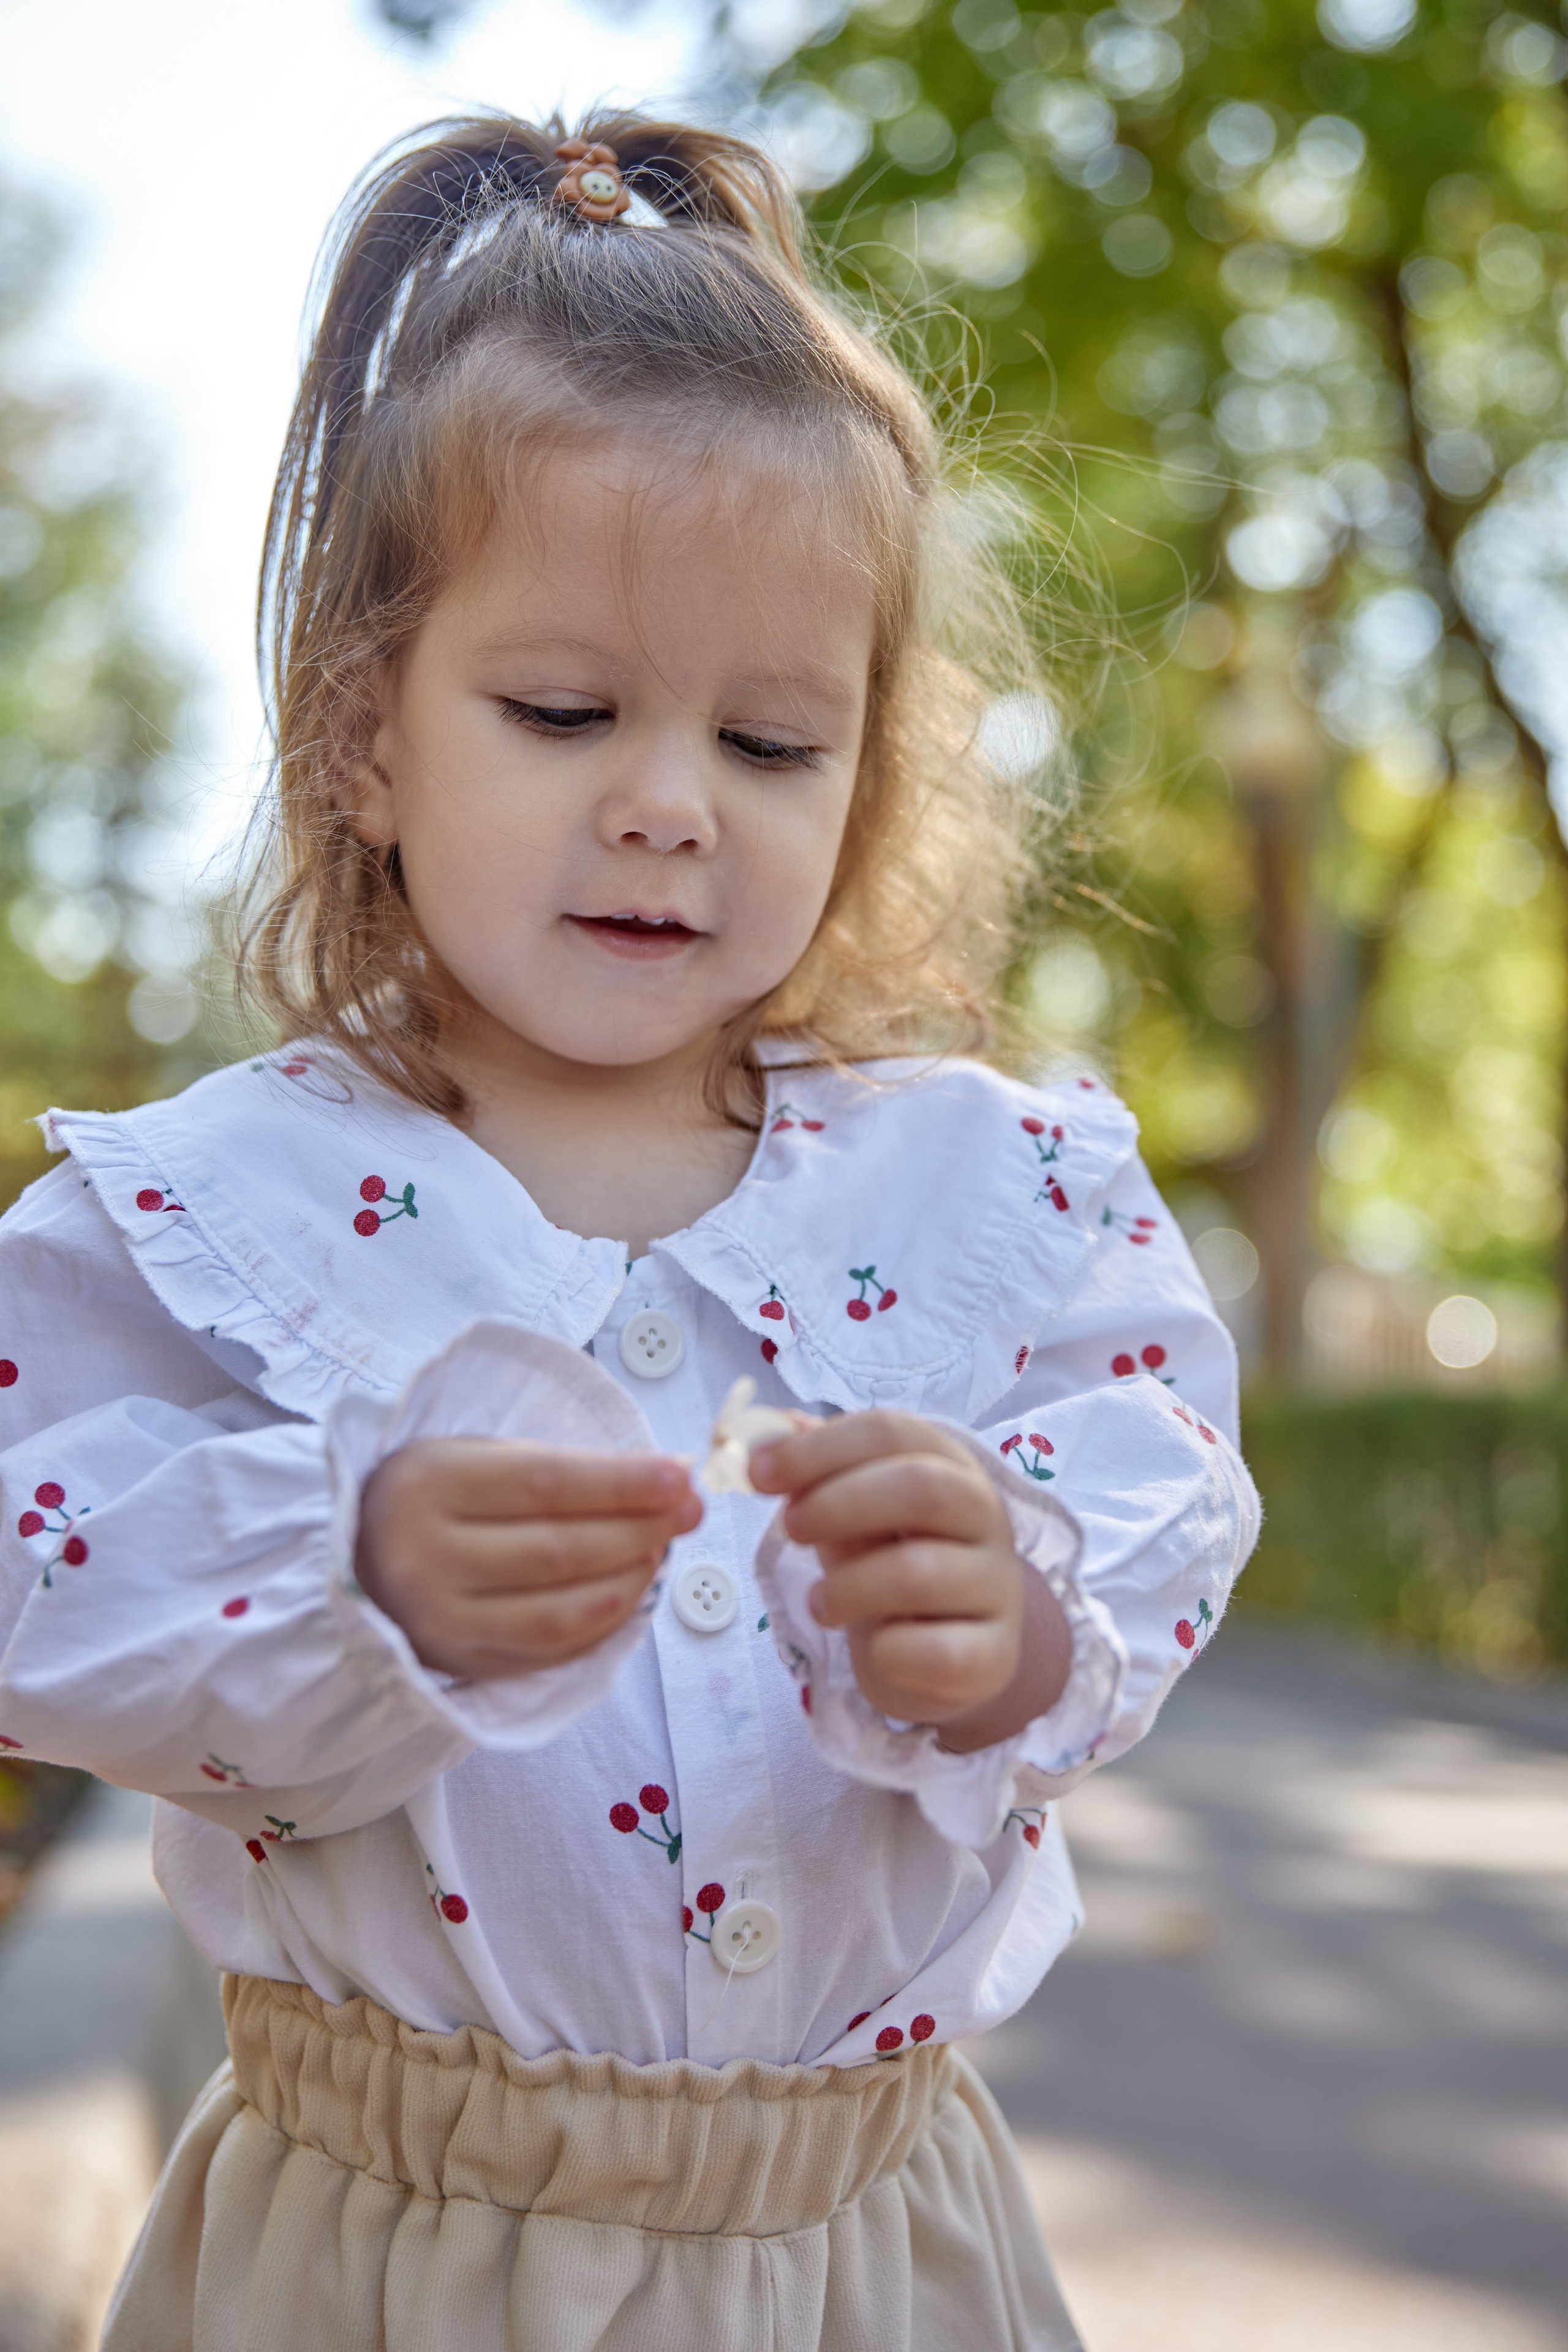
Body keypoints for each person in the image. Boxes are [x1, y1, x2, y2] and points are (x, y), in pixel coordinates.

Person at [0, 114, 1259, 2351]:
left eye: (771, 743)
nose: (670, 802)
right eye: (567, 712)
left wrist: (1013, 1627)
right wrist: (341, 1563)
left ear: (866, 778)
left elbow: (1154, 1493)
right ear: (367, 737)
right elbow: (35, 1564)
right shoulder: (212, 1207)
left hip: (873, 2257)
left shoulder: (988, 1196)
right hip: (377, 2260)